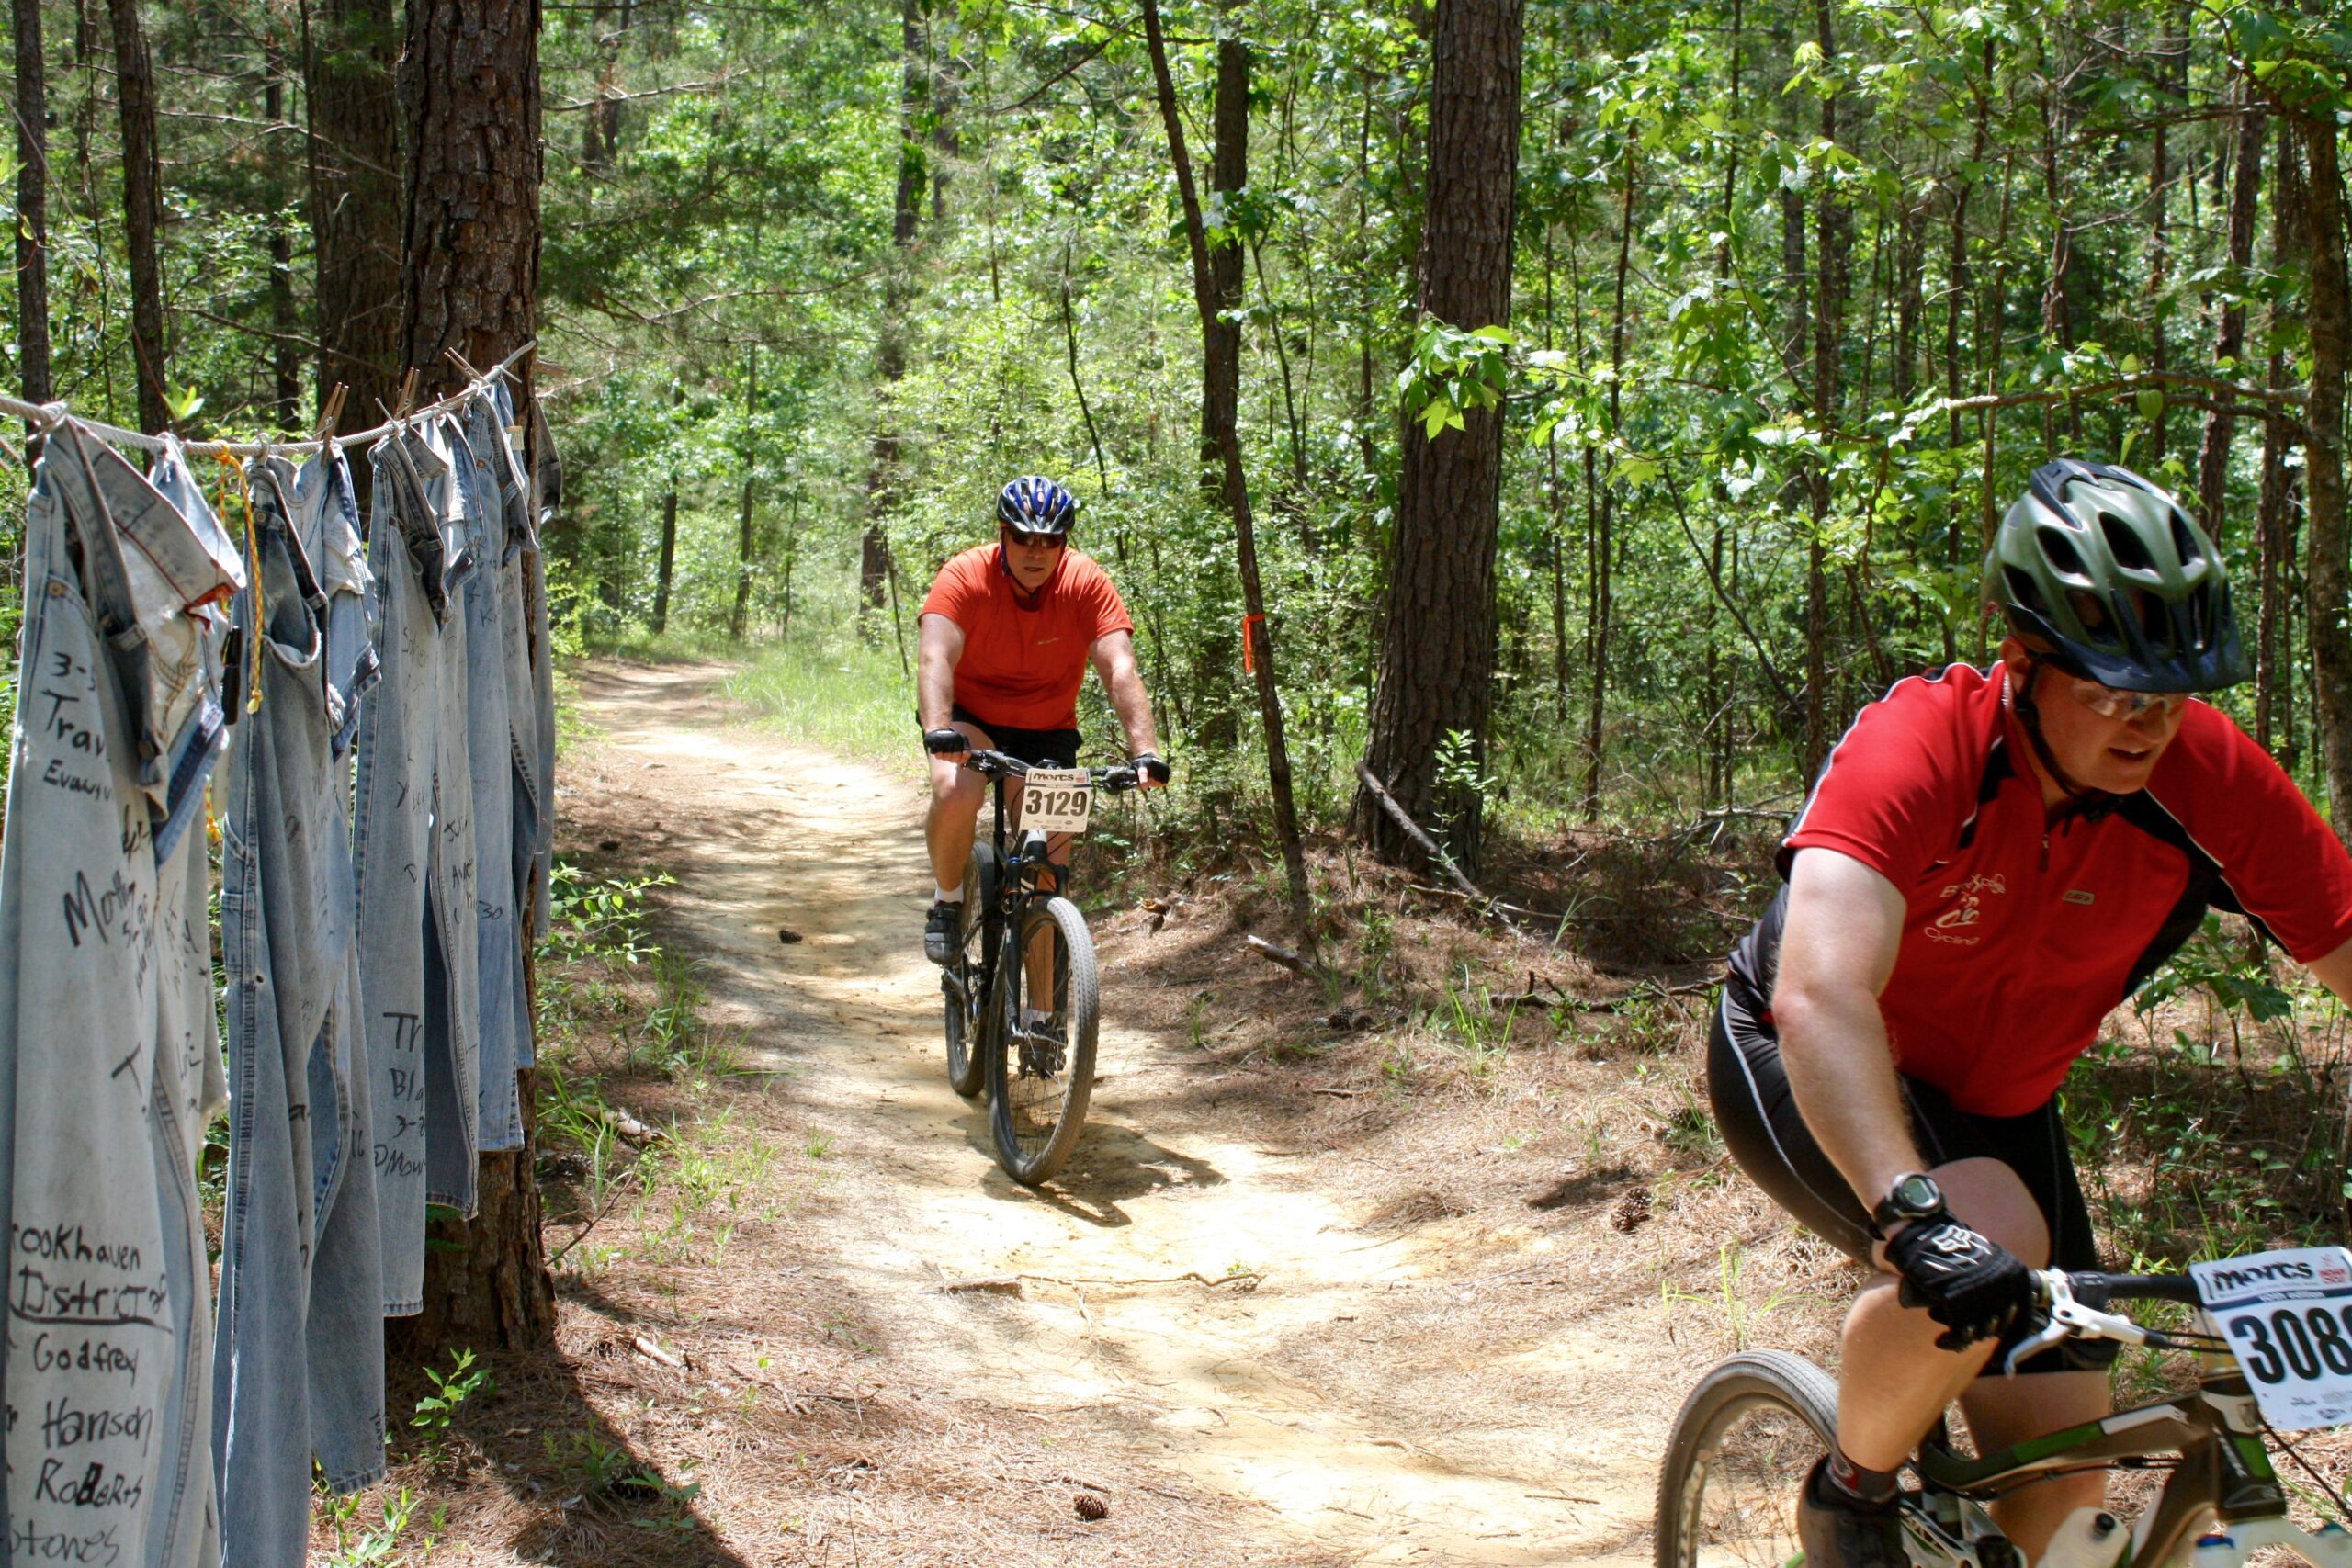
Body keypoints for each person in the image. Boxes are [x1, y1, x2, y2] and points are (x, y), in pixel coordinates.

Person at [1707, 458, 2352, 1568]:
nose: (2146, 725)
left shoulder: (2208, 779)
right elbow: (1820, 991)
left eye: (2171, 693)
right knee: (1986, 1229)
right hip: (1804, 1056)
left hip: (2002, 1106)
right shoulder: (1921, 747)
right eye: (2111, 689)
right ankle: (1852, 1492)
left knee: (2063, 1495)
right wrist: (1911, 1215)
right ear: (2021, 658)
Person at [916, 476, 1168, 964]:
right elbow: (935, 658)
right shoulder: (965, 574)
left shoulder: (1086, 581)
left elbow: (1119, 667)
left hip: (1047, 727)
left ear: (1064, 542)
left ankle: (1042, 1020)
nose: (1037, 552)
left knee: (1047, 873)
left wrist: (1146, 752)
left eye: (1050, 541)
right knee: (953, 791)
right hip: (971, 720)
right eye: (1023, 538)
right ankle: (947, 901)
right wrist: (937, 729)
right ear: (1002, 534)